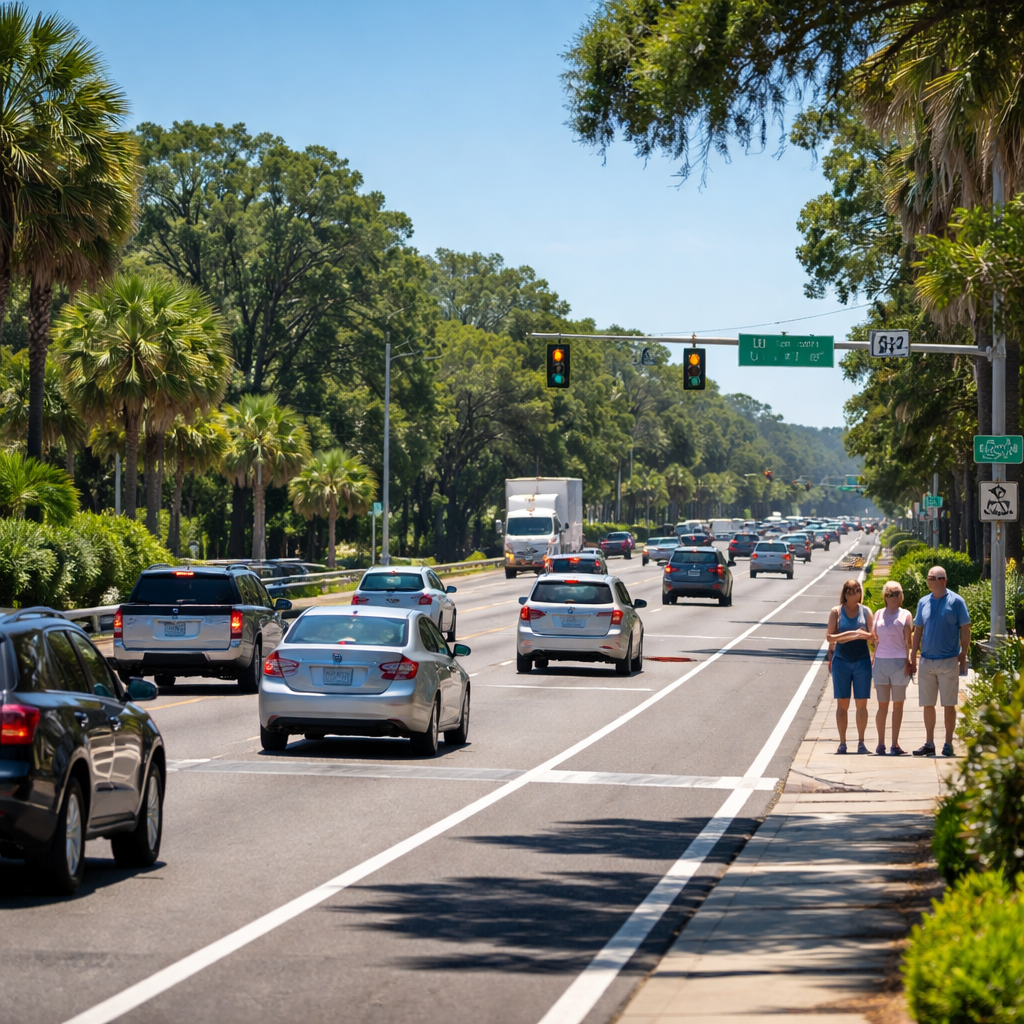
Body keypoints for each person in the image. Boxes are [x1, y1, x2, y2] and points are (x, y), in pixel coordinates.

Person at [909, 566, 971, 757]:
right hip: (927, 660)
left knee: (948, 704)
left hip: (948, 661)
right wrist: (913, 656)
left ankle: (948, 743)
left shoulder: (956, 601)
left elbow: (965, 628)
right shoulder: (923, 602)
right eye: (928, 577)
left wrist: (963, 654)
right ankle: (929, 742)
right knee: (927, 703)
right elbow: (918, 630)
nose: (929, 580)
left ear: (943, 580)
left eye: (932, 578)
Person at [827, 579, 875, 754]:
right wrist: (854, 634)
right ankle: (842, 742)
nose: (853, 594)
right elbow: (830, 637)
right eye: (850, 591)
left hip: (862, 661)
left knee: (862, 704)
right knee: (842, 704)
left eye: (856, 591)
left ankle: (861, 741)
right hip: (842, 661)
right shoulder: (836, 612)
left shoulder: (865, 611)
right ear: (845, 594)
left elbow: (872, 636)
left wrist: (858, 635)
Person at [870, 580, 913, 755]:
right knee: (882, 705)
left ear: (901, 596)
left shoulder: (905, 615)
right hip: (881, 662)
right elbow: (873, 637)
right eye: (889, 594)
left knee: (898, 705)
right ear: (884, 596)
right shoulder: (878, 614)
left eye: (896, 594)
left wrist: (909, 660)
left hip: (899, 662)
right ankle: (880, 743)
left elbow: (909, 641)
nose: (893, 597)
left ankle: (894, 743)